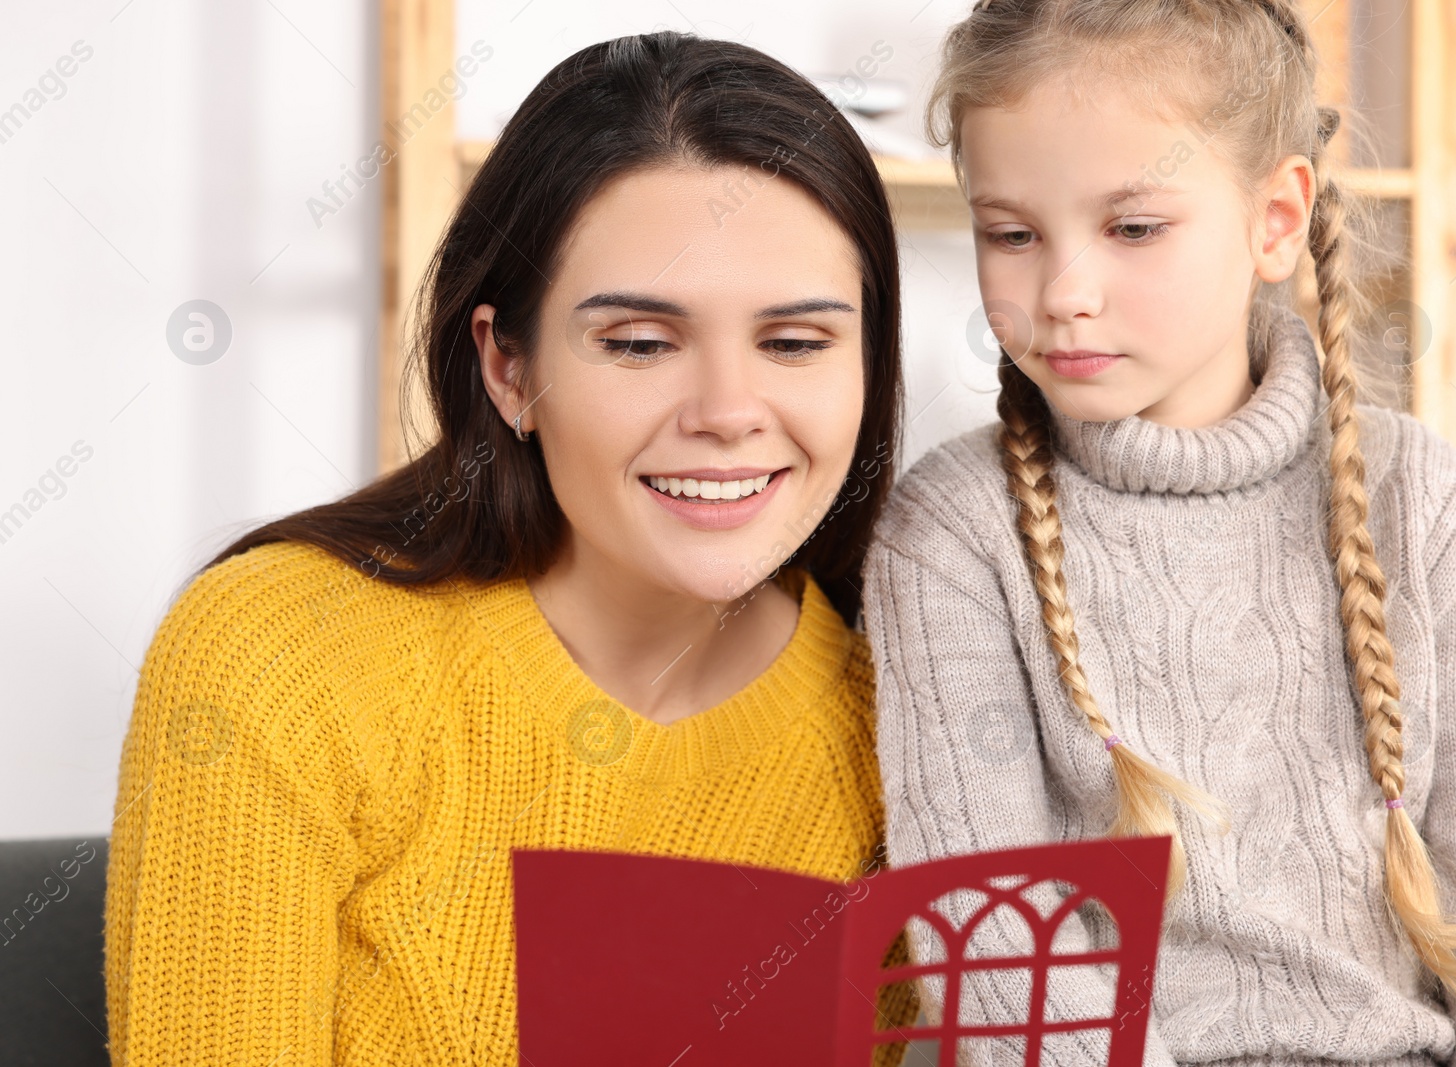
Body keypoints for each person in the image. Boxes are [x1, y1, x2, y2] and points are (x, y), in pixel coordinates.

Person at [105, 31, 919, 1066]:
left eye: (796, 342)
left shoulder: (907, 722)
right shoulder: (281, 659)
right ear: (506, 366)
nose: (726, 412)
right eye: (638, 342)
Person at [862, 1, 1456, 1064]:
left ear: (1274, 219)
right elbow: (997, 944)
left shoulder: (1423, 503)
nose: (1064, 292)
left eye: (1132, 228)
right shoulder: (950, 534)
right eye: (1011, 232)